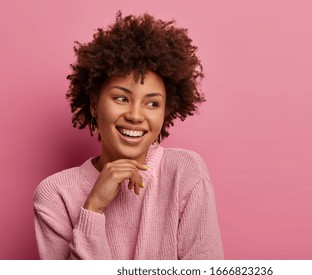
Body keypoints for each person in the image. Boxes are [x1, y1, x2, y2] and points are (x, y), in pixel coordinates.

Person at [33, 12, 224, 260]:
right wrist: (93, 210)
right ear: (93, 104)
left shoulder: (185, 172)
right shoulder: (55, 194)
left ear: (165, 112)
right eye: (121, 98)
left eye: (152, 104)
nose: (135, 115)